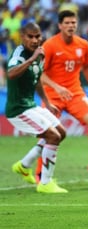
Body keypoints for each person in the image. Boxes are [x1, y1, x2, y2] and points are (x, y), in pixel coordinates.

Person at [36, 10, 88, 186]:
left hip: (75, 94)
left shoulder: (83, 45)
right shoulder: (50, 45)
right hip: (53, 95)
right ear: (60, 25)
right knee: (49, 132)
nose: (71, 26)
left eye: (73, 23)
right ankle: (39, 173)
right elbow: (39, 74)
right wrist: (57, 88)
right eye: (67, 23)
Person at [7, 22, 67, 193]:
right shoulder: (19, 54)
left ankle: (23, 165)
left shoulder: (40, 53)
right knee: (53, 137)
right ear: (22, 37)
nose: (35, 40)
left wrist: (47, 102)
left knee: (61, 132)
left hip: (30, 105)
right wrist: (32, 58)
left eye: (37, 36)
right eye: (30, 36)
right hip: (18, 110)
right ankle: (45, 183)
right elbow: (11, 74)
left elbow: (37, 78)